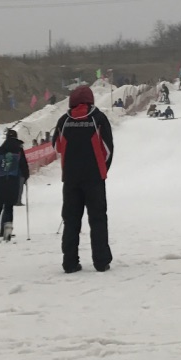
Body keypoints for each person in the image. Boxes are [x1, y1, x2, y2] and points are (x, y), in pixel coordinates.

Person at [53, 84, 114, 273]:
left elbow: (56, 147)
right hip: (94, 178)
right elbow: (108, 149)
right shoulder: (98, 118)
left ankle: (70, 262)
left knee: (71, 220)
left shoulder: (64, 120)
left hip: (70, 178)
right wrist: (102, 169)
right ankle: (101, 261)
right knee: (97, 219)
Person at [0, 128, 29, 242]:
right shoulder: (19, 150)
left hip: (0, 182)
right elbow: (24, 166)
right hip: (13, 182)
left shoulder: (0, 150)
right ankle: (7, 231)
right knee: (9, 207)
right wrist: (25, 178)